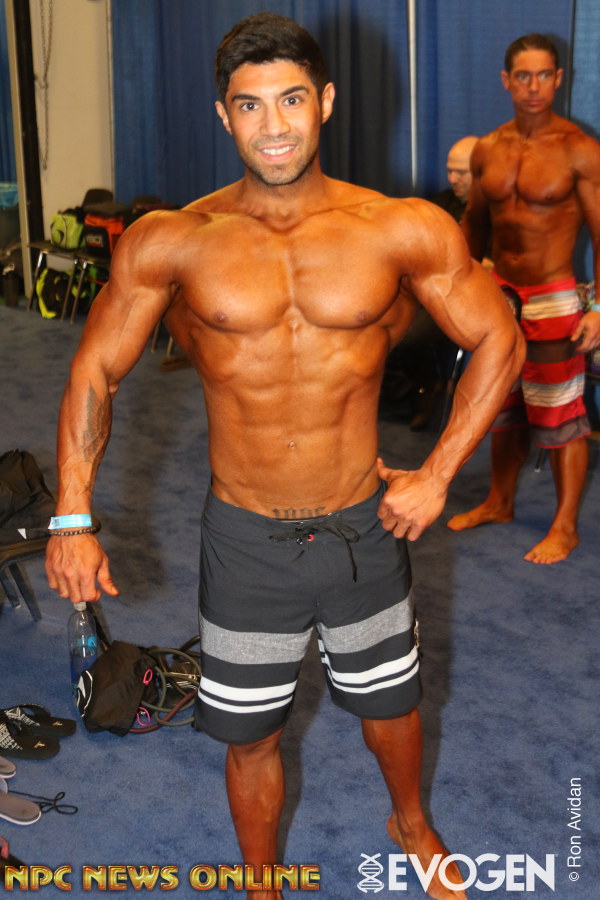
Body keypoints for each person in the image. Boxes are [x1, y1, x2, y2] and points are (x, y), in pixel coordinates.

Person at [45, 14, 523, 900]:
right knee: (251, 733)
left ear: (326, 102)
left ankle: (410, 822)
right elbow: (95, 371)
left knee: (392, 706)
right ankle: (263, 882)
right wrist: (71, 513)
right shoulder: (173, 239)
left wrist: (437, 473)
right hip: (244, 540)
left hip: (363, 527)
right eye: (250, 105)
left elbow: (501, 337)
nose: (273, 126)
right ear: (222, 114)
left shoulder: (399, 228)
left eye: (292, 100)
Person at [447, 33, 600, 564]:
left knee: (561, 413)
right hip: (499, 293)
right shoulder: (488, 148)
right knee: (501, 404)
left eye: (543, 76)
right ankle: (499, 501)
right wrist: (456, 288)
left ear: (558, 79)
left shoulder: (579, 149)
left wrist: (598, 307)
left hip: (553, 294)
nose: (533, 86)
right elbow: (473, 225)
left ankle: (565, 526)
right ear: (506, 81)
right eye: (523, 76)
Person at [384, 135, 481, 431]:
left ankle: (424, 389)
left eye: (461, 172)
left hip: (464, 300)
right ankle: (413, 387)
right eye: (449, 170)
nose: (453, 178)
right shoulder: (439, 204)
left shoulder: (497, 212)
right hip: (423, 290)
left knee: (409, 334)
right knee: (377, 319)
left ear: (480, 171)